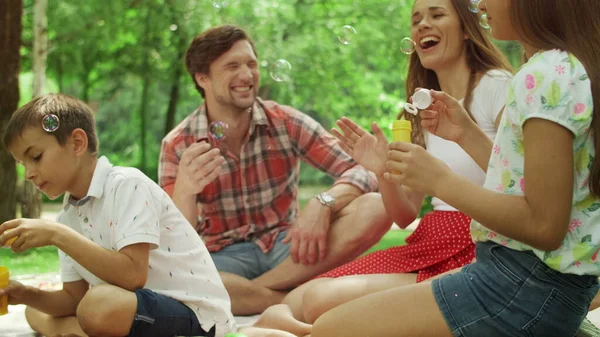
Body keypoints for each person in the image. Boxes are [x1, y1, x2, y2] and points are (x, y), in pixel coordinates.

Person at [311, 0, 600, 336]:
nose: (480, 3)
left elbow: (544, 225)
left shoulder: (541, 75)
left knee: (329, 329)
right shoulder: (565, 67)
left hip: (521, 286)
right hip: (532, 283)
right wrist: (466, 135)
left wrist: (440, 180)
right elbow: (525, 180)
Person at [250, 0, 512, 324]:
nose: (422, 25)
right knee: (295, 299)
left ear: (468, 31)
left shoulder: (497, 86)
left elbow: (520, 178)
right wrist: (382, 171)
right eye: (416, 20)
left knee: (317, 301)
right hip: (430, 243)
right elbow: (405, 216)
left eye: (436, 14)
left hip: (475, 245)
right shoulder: (421, 111)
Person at [158, 25, 390, 315]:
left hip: (289, 247)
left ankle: (254, 295)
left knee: (376, 207)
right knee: (171, 277)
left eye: (251, 64)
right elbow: (173, 240)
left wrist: (324, 203)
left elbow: (364, 168)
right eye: (232, 66)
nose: (247, 75)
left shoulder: (285, 122)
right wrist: (184, 191)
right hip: (222, 259)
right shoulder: (178, 144)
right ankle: (286, 297)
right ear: (202, 77)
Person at [0, 94, 234, 337]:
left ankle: (70, 331)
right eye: (21, 164)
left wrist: (56, 235)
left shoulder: (127, 184)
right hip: (137, 312)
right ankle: (72, 330)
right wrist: (25, 294)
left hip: (195, 315)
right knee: (34, 311)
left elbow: (133, 275)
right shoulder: (68, 216)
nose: (28, 174)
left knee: (99, 306)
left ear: (77, 143)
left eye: (35, 157)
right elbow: (73, 299)